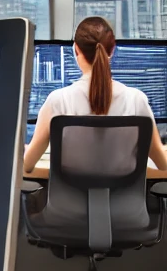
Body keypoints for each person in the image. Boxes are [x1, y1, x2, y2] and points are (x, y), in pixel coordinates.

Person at [24, 16, 167, 173]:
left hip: (69, 198)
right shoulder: (136, 100)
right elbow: (162, 164)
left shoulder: (58, 100)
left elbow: (27, 165)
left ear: (76, 50)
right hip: (124, 198)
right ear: (112, 50)